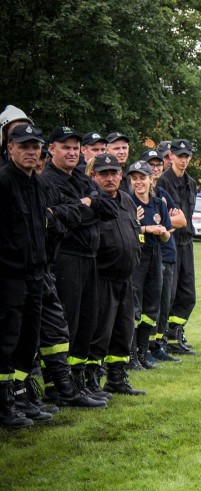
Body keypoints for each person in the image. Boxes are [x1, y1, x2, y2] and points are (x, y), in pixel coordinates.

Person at [36, 126, 111, 409]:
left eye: (74, 147)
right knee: (66, 322)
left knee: (86, 322)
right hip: (66, 257)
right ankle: (57, 385)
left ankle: (76, 381)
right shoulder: (47, 181)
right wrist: (86, 208)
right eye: (64, 147)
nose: (71, 152)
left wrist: (81, 208)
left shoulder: (81, 177)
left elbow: (108, 207)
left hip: (89, 257)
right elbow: (56, 222)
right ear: (52, 149)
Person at [0, 123, 48, 427]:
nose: (31, 151)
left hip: (35, 275)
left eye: (35, 147)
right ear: (10, 149)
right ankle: (3, 404)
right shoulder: (3, 182)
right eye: (24, 146)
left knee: (27, 341)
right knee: (6, 341)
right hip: (8, 278)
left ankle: (17, 397)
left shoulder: (37, 184)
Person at [87, 153, 143, 396]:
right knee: (99, 332)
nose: (110, 178)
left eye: (114, 172)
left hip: (125, 278)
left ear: (121, 175)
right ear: (93, 176)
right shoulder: (93, 202)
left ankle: (117, 378)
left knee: (123, 331)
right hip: (101, 278)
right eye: (104, 174)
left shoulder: (127, 201)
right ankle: (89, 380)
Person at [127, 160, 171, 370]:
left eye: (142, 178)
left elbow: (166, 235)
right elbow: (125, 230)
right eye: (134, 178)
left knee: (151, 307)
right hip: (136, 258)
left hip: (155, 256)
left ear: (151, 179)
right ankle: (132, 355)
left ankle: (144, 354)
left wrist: (162, 232)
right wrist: (145, 228)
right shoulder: (127, 201)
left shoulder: (159, 203)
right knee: (134, 307)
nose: (138, 182)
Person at [157, 139, 198, 355]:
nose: (183, 160)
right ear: (171, 156)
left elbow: (185, 217)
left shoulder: (191, 183)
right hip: (171, 241)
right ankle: (162, 338)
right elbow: (168, 218)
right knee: (169, 293)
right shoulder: (163, 182)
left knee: (187, 292)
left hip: (187, 242)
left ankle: (175, 334)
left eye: (187, 156)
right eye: (179, 156)